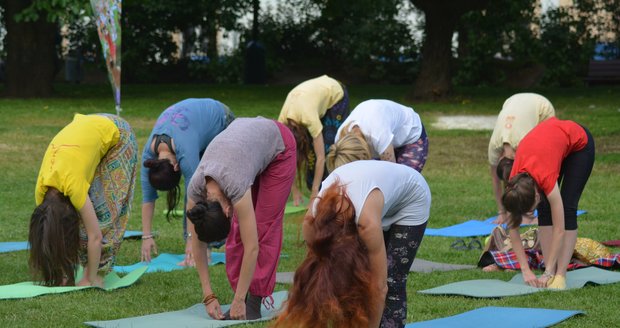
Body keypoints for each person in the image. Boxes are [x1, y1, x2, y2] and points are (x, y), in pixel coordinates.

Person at [275, 160, 431, 328]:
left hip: (410, 200)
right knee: (350, 280)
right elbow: (318, 273)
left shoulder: (366, 225)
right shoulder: (311, 223)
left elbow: (380, 289)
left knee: (392, 281)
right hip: (374, 195)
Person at [185, 117, 296, 320]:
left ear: (228, 210)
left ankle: (252, 302)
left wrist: (237, 300)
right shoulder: (195, 190)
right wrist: (208, 295)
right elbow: (197, 243)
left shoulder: (235, 184)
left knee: (262, 228)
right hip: (245, 148)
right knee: (239, 230)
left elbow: (252, 246)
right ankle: (242, 296)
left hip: (279, 147)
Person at [29, 113, 138, 287]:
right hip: (91, 126)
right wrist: (59, 275)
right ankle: (78, 268)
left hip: (118, 133)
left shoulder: (74, 186)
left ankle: (97, 271)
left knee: (104, 210)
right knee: (80, 220)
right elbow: (50, 236)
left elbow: (95, 237)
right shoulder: (42, 193)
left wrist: (90, 279)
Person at [501, 117, 594, 290]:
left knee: (567, 208)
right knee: (544, 209)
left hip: (579, 145)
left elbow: (560, 229)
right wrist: (525, 270)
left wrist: (550, 272)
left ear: (536, 193)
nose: (529, 216)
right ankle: (550, 265)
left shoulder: (546, 178)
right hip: (549, 147)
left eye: (530, 211)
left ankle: (560, 274)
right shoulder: (514, 185)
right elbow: (512, 227)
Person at [140, 98, 234, 265]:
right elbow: (147, 199)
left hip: (221, 120)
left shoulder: (185, 151)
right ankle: (198, 247)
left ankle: (207, 246)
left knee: (213, 187)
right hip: (197, 126)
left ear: (178, 167)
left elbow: (196, 197)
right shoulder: (148, 158)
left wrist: (192, 242)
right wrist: (146, 236)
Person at [278, 75, 349, 205]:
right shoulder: (282, 123)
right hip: (312, 96)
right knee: (312, 148)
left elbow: (321, 157)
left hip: (335, 93)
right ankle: (314, 183)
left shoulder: (309, 119)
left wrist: (315, 193)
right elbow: (285, 158)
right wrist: (294, 190)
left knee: (329, 145)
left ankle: (332, 186)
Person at [489, 93, 555, 223]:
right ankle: (516, 208)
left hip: (542, 108)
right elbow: (495, 180)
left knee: (539, 169)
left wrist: (529, 215)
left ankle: (539, 210)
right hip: (511, 100)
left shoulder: (526, 144)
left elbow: (540, 175)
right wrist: (502, 212)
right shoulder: (493, 147)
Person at [327, 99, 428, 173]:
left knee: (400, 188)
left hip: (410, 135)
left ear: (363, 156)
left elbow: (392, 176)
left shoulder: (377, 134)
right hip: (383, 135)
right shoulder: (340, 139)